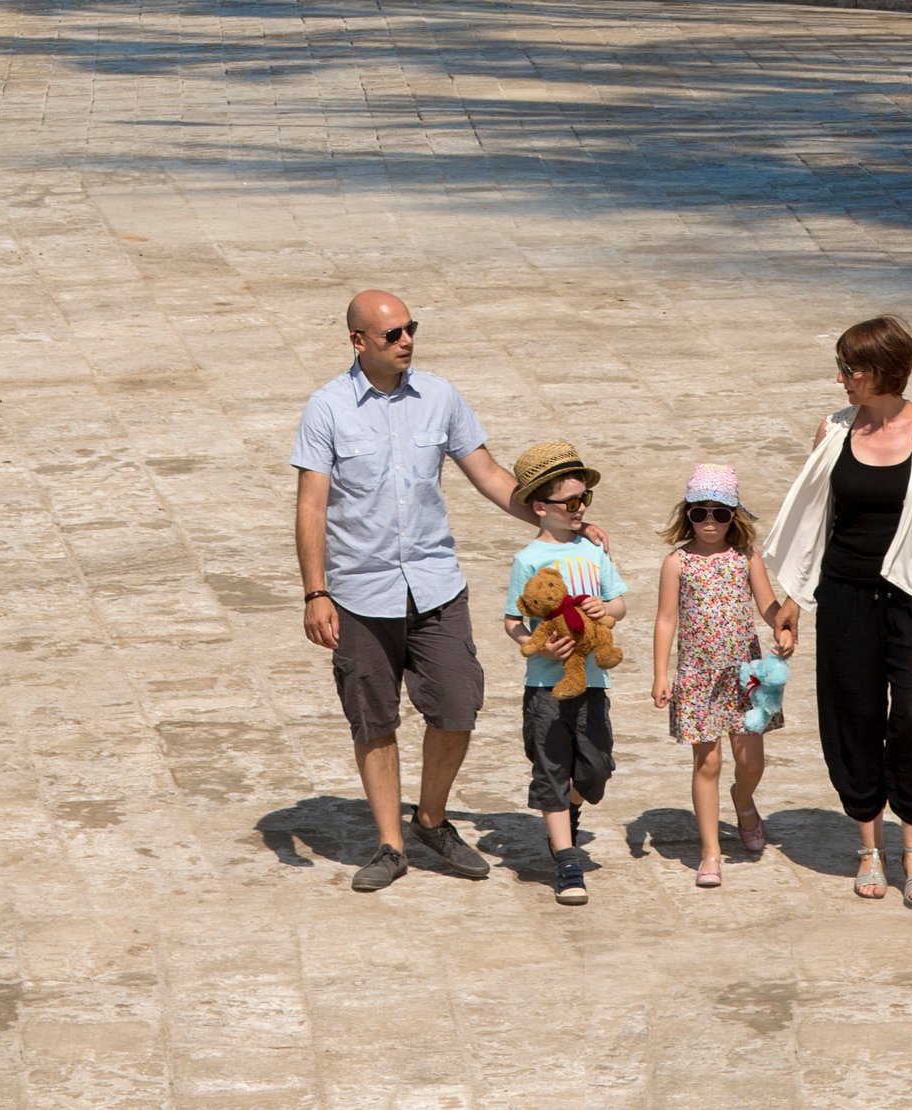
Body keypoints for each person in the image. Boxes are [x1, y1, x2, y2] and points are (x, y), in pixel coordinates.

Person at [291, 289, 522, 892]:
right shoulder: (327, 409)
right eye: (392, 335)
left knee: (457, 703)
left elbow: (491, 476)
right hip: (359, 594)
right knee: (374, 719)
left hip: (436, 585)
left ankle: (432, 819)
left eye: (410, 329)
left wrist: (558, 515)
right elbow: (311, 506)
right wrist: (316, 594)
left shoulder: (440, 396)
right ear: (358, 342)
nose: (407, 342)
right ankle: (391, 845)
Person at [767, 313, 912, 908]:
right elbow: (814, 520)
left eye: (850, 369)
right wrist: (792, 597)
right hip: (846, 596)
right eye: (842, 368)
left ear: (881, 372)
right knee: (855, 718)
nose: (840, 378)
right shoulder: (834, 430)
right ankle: (870, 844)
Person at [650, 462, 798, 889]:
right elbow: (665, 620)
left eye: (720, 513)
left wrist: (782, 626)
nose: (709, 522)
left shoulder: (745, 556)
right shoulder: (677, 562)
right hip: (697, 675)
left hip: (746, 674)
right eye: (700, 513)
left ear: (735, 515)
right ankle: (710, 851)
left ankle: (744, 798)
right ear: (687, 514)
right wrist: (662, 674)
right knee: (707, 761)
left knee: (750, 759)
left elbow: (768, 605)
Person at [503, 440, 629, 908]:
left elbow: (619, 602)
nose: (580, 511)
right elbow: (513, 620)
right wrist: (532, 644)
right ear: (541, 507)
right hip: (544, 684)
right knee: (550, 767)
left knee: (596, 768)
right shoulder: (527, 559)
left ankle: (571, 808)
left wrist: (606, 608)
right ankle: (566, 859)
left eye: (584, 502)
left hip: (594, 679)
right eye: (572, 503)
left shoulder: (595, 553)